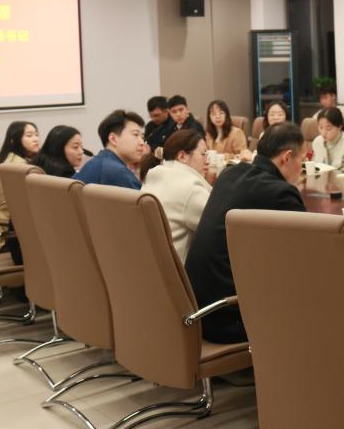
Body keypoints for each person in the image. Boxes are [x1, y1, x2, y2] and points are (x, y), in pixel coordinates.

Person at [185, 122, 307, 343]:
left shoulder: (229, 174)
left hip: (196, 308)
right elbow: (307, 256)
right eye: (302, 160)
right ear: (287, 157)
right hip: (229, 317)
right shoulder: (281, 194)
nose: (302, 167)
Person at [141, 130, 212, 263]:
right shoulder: (190, 188)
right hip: (176, 271)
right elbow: (220, 229)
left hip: (148, 264)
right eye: (203, 154)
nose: (207, 161)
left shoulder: (153, 176)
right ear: (182, 156)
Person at [0, 121, 40, 224]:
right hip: (8, 225)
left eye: (36, 135)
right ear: (14, 140)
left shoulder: (8, 159)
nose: (36, 139)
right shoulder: (19, 167)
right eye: (29, 136)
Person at [74, 110, 145, 189]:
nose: (142, 142)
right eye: (135, 134)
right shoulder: (118, 173)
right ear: (113, 139)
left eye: (142, 137)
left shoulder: (92, 164)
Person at [312, 107, 344, 172]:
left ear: (339, 127)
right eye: (321, 127)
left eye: (328, 129)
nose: (323, 133)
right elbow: (316, 168)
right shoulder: (317, 142)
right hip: (323, 178)